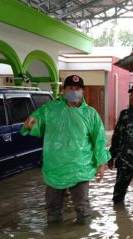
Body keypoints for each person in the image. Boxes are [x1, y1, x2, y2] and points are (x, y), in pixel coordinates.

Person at [21, 75, 111, 224]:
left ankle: (83, 233)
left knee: (82, 207)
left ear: (82, 91)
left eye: (77, 89)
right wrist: (30, 124)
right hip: (55, 168)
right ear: (63, 90)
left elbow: (99, 140)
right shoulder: (50, 109)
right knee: (52, 208)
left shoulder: (91, 113)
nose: (74, 92)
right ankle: (55, 234)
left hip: (79, 169)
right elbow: (36, 122)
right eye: (70, 88)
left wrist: (101, 164)